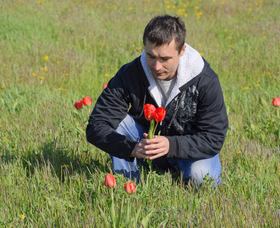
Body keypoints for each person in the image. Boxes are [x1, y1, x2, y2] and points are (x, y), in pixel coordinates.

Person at [86, 15, 228, 186]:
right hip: (143, 147)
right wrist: (131, 148)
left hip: (189, 150)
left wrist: (171, 145)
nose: (156, 66)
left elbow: (214, 137)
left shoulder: (205, 80)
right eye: (151, 56)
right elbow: (96, 126)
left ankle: (181, 170)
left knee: (204, 180)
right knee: (117, 122)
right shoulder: (130, 74)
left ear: (182, 50)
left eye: (165, 59)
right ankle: (128, 183)